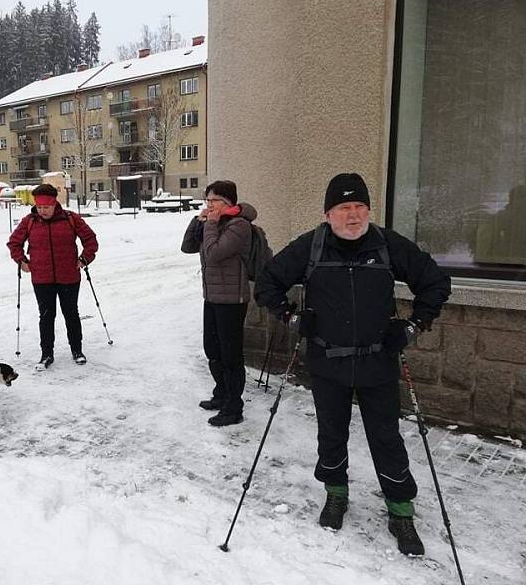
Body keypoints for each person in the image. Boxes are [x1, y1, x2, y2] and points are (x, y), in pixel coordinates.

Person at [256, 172, 451, 555]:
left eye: (360, 206)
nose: (354, 215)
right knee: (331, 434)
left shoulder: (387, 244)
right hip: (327, 362)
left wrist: (412, 327)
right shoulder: (311, 246)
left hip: (379, 362)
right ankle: (336, 493)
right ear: (328, 213)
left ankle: (400, 509)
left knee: (387, 438)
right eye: (344, 207)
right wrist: (293, 319)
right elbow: (267, 283)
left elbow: (436, 283)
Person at [181, 180, 257, 427]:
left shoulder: (239, 226)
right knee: (212, 349)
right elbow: (187, 247)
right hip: (212, 297)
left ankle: (234, 407)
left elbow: (213, 254)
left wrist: (211, 224)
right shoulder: (212, 223)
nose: (209, 205)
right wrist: (198, 222)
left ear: (228, 202)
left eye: (213, 200)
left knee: (230, 354)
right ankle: (221, 394)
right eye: (207, 200)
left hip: (232, 300)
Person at [7, 183, 98, 370]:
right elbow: (14, 243)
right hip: (42, 278)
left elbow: (90, 240)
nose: (42, 211)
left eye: (46, 207)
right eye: (39, 207)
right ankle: (46, 354)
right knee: (46, 317)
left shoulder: (70, 219)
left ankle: (77, 350)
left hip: (69, 276)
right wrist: (21, 261)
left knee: (71, 314)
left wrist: (84, 259)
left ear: (54, 203)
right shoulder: (29, 221)